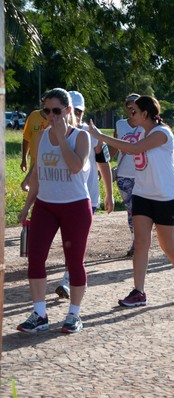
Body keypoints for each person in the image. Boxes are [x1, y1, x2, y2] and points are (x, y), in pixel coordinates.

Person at [88, 95, 174, 307]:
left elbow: (134, 149)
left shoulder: (162, 133)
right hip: (142, 195)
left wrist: (101, 136)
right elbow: (129, 147)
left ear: (146, 114)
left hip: (166, 197)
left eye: (134, 111)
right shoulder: (142, 133)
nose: (130, 115)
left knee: (168, 246)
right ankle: (139, 291)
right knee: (141, 244)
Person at [16, 88, 92, 334]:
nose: (50, 116)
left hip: (75, 207)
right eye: (46, 111)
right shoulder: (41, 137)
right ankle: (39, 313)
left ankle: (73, 315)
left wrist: (61, 139)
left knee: (74, 261)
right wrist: (27, 207)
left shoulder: (80, 137)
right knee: (36, 258)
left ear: (68, 111)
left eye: (56, 111)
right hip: (45, 206)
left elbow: (75, 167)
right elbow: (37, 176)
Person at [53, 90, 115, 300]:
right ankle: (69, 275)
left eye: (80, 112)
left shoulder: (92, 135)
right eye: (74, 111)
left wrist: (110, 194)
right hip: (62, 197)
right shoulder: (55, 132)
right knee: (68, 241)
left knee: (76, 241)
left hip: (87, 198)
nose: (76, 116)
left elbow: (104, 164)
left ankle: (68, 280)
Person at [110, 93, 143, 257]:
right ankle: (135, 241)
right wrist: (105, 162)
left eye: (135, 105)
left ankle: (142, 240)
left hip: (143, 173)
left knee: (142, 211)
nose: (131, 109)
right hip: (124, 174)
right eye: (128, 106)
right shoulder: (120, 124)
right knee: (131, 209)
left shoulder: (146, 125)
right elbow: (115, 145)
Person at [20, 108, 49, 191]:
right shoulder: (33, 116)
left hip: (51, 164)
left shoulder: (56, 118)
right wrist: (24, 159)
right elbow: (26, 138)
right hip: (34, 164)